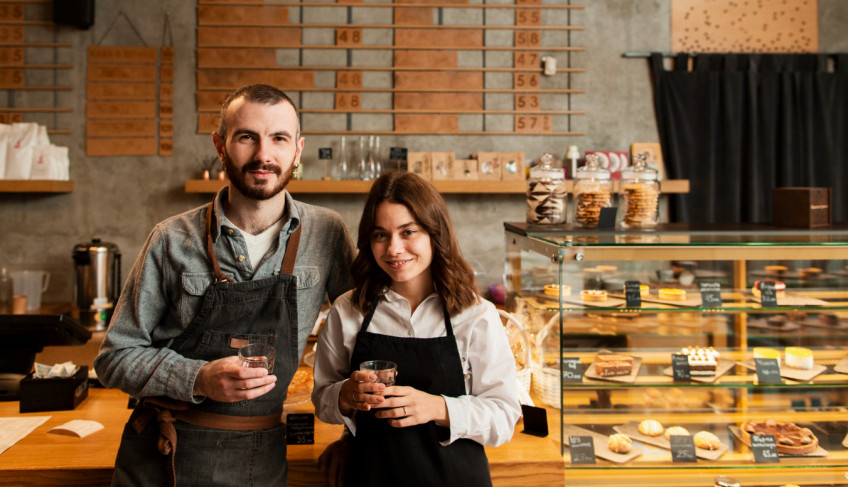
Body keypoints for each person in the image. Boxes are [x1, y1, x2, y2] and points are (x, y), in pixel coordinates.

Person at [94, 83, 356, 487]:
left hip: (261, 458)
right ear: (220, 145)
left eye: (279, 139)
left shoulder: (327, 234)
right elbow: (114, 357)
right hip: (166, 455)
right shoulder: (171, 238)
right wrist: (198, 378)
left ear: (298, 150)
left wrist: (350, 435)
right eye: (246, 137)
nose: (263, 155)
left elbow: (364, 344)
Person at [312, 171, 521, 487]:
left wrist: (439, 407)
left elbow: (505, 417)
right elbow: (322, 399)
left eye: (408, 231)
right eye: (381, 234)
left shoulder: (476, 315)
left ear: (435, 234)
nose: (394, 249)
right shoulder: (348, 310)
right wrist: (345, 395)